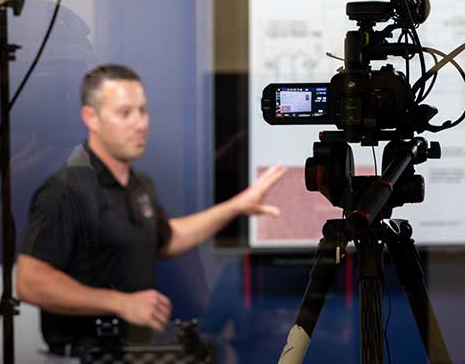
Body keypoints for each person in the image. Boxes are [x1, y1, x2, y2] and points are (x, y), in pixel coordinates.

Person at [16, 64, 286, 354]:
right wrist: (118, 302)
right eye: (124, 113)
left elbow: (167, 238)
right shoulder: (65, 190)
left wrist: (237, 206)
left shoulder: (139, 185)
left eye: (142, 111)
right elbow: (31, 282)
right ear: (90, 117)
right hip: (86, 355)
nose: (139, 123)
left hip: (135, 351)